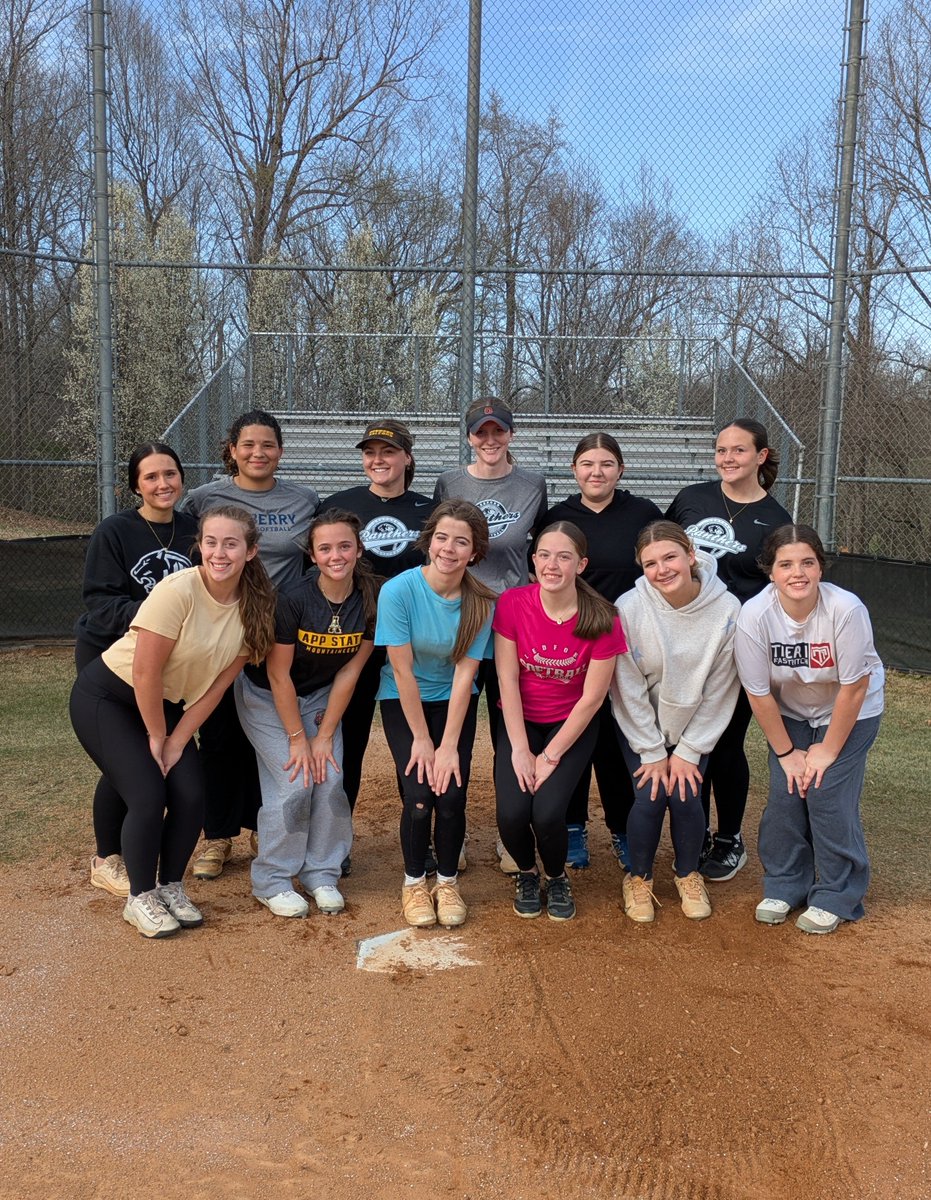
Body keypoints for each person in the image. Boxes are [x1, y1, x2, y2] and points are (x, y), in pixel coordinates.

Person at [70, 506, 276, 938]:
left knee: (190, 793)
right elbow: (145, 672)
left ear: (251, 551)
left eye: (231, 543)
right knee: (147, 794)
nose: (219, 552)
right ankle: (140, 897)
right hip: (108, 697)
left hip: (168, 708)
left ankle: (169, 886)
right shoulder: (177, 589)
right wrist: (157, 737)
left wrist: (178, 739)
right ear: (199, 545)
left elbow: (215, 689)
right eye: (210, 542)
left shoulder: (255, 608)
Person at [181, 409, 319, 879]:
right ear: (232, 450)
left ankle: (268, 828)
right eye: (248, 445)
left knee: (272, 736)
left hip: (278, 638)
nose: (258, 453)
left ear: (280, 451)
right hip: (222, 633)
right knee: (219, 738)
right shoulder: (205, 497)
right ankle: (217, 836)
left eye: (268, 445)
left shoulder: (304, 499)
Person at [735, 525, 884, 935]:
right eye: (786, 564)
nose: (797, 573)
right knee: (787, 793)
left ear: (820, 568)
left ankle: (838, 893)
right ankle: (785, 884)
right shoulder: (754, 615)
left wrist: (826, 750)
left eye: (807, 562)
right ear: (771, 572)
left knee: (825, 792)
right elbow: (758, 693)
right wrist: (787, 754)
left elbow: (855, 688)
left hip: (852, 709)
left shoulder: (845, 609)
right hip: (790, 712)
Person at [236, 510, 379, 918]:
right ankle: (273, 878)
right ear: (313, 556)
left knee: (330, 775)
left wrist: (323, 735)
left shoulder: (371, 597)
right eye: (325, 548)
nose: (337, 555)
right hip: (267, 696)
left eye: (345, 546)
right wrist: (300, 739)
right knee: (295, 779)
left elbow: (350, 671)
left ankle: (321, 871)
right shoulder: (293, 599)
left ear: (359, 549)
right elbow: (278, 675)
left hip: (318, 697)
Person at [666, 417, 791, 882]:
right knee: (685, 736)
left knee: (723, 741)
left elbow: (776, 589)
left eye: (739, 450)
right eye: (721, 450)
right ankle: (694, 832)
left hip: (736, 643)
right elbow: (664, 550)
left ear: (760, 456)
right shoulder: (692, 498)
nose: (728, 459)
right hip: (682, 636)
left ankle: (728, 837)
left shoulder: (776, 520)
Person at [75, 441, 199, 899]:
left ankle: (153, 866)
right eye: (151, 477)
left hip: (167, 669)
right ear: (136, 485)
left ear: (181, 478)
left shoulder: (194, 530)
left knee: (134, 760)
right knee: (123, 759)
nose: (162, 484)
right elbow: (100, 603)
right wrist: (162, 620)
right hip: (112, 662)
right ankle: (108, 859)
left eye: (169, 473)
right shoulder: (116, 530)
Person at [433, 398, 547, 868]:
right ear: (469, 438)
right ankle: (450, 835)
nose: (490, 440)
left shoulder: (533, 485)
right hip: (462, 616)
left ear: (511, 435)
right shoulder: (451, 482)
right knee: (452, 726)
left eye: (499, 431)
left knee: (509, 730)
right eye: (481, 432)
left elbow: (540, 551)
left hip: (512, 621)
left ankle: (511, 832)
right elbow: (442, 546)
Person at [494, 522, 627, 921]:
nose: (553, 564)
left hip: (570, 725)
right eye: (545, 555)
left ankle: (556, 876)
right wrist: (520, 749)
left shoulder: (602, 617)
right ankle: (528, 873)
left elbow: (592, 699)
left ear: (581, 564)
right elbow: (507, 678)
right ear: (533, 561)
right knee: (513, 814)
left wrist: (548, 757)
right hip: (520, 721)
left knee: (548, 814)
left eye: (564, 556)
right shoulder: (513, 602)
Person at [611, 521, 740, 923]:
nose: (662, 569)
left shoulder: (727, 609)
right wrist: (651, 751)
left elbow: (721, 689)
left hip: (694, 724)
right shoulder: (628, 607)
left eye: (670, 557)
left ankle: (688, 874)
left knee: (685, 793)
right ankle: (638, 878)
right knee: (651, 795)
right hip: (641, 721)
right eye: (650, 563)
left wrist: (689, 750)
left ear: (690, 554)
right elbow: (626, 687)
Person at [543, 432, 662, 872]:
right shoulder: (558, 516)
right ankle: (572, 827)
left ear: (620, 470)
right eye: (588, 464)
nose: (597, 472)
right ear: (574, 470)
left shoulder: (642, 513)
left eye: (607, 464)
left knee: (617, 739)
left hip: (627, 642)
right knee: (572, 735)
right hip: (570, 644)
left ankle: (623, 828)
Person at [375, 499, 496, 929]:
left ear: (475, 551)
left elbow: (465, 678)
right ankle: (413, 882)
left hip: (452, 701)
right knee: (421, 795)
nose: (449, 548)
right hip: (402, 698)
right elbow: (402, 670)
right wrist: (423, 740)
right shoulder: (399, 590)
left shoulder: (482, 601)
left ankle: (446, 882)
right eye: (442, 538)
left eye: (461, 542)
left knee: (453, 794)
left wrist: (447, 746)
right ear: (429, 541)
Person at [321, 420, 435, 836]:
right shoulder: (339, 506)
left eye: (387, 452)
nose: (378, 459)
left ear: (407, 457)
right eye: (370, 452)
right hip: (355, 638)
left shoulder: (429, 510)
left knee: (419, 738)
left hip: (413, 639)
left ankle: (427, 828)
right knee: (346, 741)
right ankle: (336, 836)